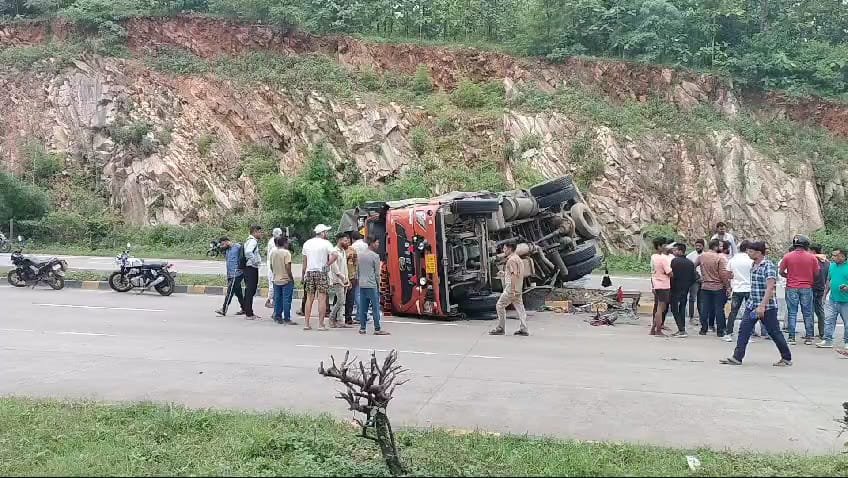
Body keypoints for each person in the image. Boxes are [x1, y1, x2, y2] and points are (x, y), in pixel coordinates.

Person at [720, 241, 792, 367]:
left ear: (759, 253)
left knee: (774, 332)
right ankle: (737, 357)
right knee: (744, 329)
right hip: (752, 304)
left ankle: (786, 357)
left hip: (767, 307)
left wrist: (762, 306)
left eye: (751, 251)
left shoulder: (768, 266)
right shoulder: (754, 264)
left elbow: (770, 288)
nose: (748, 253)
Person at [780, 234, 820, 345]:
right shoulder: (812, 257)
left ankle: (791, 338)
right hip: (807, 287)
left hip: (791, 287)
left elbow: (781, 272)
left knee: (792, 312)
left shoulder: (787, 256)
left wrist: (789, 277)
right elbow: (816, 273)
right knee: (807, 312)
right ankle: (809, 337)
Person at [301, 224, 338, 331]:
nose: (327, 233)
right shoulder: (326, 243)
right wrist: (327, 264)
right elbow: (335, 255)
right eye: (326, 232)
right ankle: (321, 324)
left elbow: (304, 262)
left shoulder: (307, 243)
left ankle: (306, 324)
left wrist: (303, 275)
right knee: (322, 298)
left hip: (309, 273)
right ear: (322, 233)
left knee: (309, 298)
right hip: (321, 272)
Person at [490, 242, 529, 336]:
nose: (503, 250)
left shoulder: (511, 260)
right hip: (518, 288)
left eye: (504, 248)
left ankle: (501, 328)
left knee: (500, 305)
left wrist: (512, 290)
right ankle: (524, 328)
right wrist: (504, 274)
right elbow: (517, 274)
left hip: (511, 289)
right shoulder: (518, 259)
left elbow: (514, 275)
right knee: (520, 308)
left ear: (510, 248)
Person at [699, 239, 731, 337]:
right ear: (716, 247)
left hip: (705, 286)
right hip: (718, 287)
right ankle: (720, 331)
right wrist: (728, 287)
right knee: (719, 309)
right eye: (720, 246)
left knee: (705, 308)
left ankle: (703, 329)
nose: (721, 248)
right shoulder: (720, 258)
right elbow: (723, 274)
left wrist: (700, 277)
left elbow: (694, 265)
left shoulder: (702, 256)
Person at [358, 236, 390, 335]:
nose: (378, 244)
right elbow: (377, 273)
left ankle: (362, 328)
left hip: (362, 284)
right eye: (377, 242)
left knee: (363, 307)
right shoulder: (375, 256)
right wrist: (378, 285)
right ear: (372, 243)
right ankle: (377, 328)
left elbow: (358, 270)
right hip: (371, 284)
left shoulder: (360, 255)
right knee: (375, 307)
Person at [817, 248, 848, 349]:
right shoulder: (832, 266)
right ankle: (827, 340)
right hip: (833, 299)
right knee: (829, 319)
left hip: (846, 301)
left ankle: (847, 341)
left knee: (847, 322)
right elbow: (829, 281)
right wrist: (825, 294)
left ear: (843, 257)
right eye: (833, 255)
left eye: (836, 256)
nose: (833, 257)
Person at [724, 240, 753, 342]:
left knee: (733, 312)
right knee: (748, 312)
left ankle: (728, 333)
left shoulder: (733, 259)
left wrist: (733, 281)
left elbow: (727, 274)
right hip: (749, 289)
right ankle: (748, 335)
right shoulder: (751, 260)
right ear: (747, 249)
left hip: (737, 289)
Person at [669, 243, 695, 337]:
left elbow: (671, 275)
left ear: (680, 251)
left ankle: (681, 329)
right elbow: (693, 277)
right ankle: (682, 328)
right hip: (685, 289)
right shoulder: (690, 263)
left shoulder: (674, 261)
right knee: (682, 308)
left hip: (675, 288)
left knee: (674, 309)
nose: (673, 251)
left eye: (675, 250)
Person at [269, 235, 296, 325]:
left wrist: (276, 273)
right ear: (284, 243)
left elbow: (271, 266)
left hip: (276, 278)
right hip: (286, 279)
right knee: (286, 299)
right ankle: (287, 318)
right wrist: (291, 278)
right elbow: (288, 267)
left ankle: (277, 316)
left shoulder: (273, 253)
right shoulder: (286, 253)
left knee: (277, 299)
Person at [649, 237, 673, 337]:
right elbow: (669, 273)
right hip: (663, 284)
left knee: (658, 307)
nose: (666, 247)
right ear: (659, 246)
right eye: (664, 245)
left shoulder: (653, 257)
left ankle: (653, 329)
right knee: (660, 309)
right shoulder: (663, 258)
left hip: (656, 283)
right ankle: (658, 330)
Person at [216, 237, 245, 316]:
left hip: (237, 273)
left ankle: (224, 309)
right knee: (238, 292)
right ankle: (244, 308)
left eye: (223, 244)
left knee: (230, 291)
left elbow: (243, 257)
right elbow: (219, 251)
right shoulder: (227, 250)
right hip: (230, 273)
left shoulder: (238, 247)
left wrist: (241, 267)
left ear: (227, 241)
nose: (222, 246)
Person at [327, 232, 351, 328]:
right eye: (345, 240)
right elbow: (334, 267)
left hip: (344, 279)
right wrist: (341, 277)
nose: (347, 243)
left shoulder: (343, 251)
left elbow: (344, 267)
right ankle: (332, 318)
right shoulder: (334, 251)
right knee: (340, 301)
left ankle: (341, 321)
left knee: (343, 301)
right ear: (340, 240)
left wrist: (347, 279)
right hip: (338, 279)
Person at [242, 225, 264, 320]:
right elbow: (248, 252)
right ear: (254, 232)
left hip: (248, 268)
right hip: (251, 267)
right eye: (259, 232)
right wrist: (255, 261)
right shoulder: (253, 241)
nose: (261, 234)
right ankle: (249, 313)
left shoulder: (249, 240)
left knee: (249, 290)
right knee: (251, 290)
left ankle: (248, 311)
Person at [810, 244, 830, 339]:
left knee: (809, 310)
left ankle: (809, 333)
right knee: (820, 310)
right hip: (821, 287)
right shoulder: (827, 262)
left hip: (812, 286)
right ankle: (822, 332)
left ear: (813, 251)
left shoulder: (812, 260)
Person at [686, 239, 705, 326]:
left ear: (703, 246)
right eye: (696, 246)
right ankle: (691, 317)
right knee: (692, 298)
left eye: (699, 246)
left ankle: (702, 318)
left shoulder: (706, 255)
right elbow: (688, 269)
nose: (698, 247)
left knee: (701, 300)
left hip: (704, 280)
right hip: (694, 280)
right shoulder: (690, 256)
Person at [344, 231, 360, 326]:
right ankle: (336, 316)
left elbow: (355, 263)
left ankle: (348, 317)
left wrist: (355, 275)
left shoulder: (353, 250)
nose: (347, 242)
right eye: (345, 240)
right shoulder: (338, 251)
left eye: (348, 240)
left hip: (351, 276)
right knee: (340, 299)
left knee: (350, 298)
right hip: (342, 277)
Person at [265, 227, 284, 306]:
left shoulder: (272, 241)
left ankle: (272, 300)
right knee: (273, 283)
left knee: (273, 283)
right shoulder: (274, 243)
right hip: (272, 265)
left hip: (272, 264)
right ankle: (270, 300)